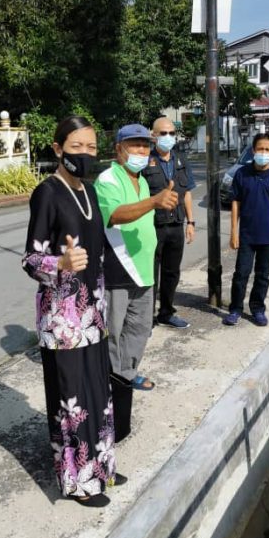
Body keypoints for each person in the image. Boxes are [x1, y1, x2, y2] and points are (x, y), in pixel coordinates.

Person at [22, 115, 119, 508]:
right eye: (76, 146)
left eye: (92, 146)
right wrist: (59, 264)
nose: (85, 154)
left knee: (98, 391)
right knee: (72, 401)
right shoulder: (47, 192)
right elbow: (30, 258)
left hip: (93, 313)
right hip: (62, 321)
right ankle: (77, 480)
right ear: (58, 148)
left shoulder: (92, 191)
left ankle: (101, 467)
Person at [94, 124, 178, 402]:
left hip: (143, 267)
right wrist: (155, 201)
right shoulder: (108, 178)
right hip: (119, 267)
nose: (142, 151)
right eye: (135, 145)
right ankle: (109, 379)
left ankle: (126, 375)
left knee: (140, 328)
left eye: (145, 145)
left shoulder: (140, 180)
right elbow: (115, 215)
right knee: (114, 330)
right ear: (119, 149)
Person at [222, 131, 269, 327]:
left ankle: (258, 309)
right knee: (241, 274)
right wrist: (234, 233)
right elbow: (236, 202)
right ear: (253, 150)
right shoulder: (242, 173)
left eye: (267, 149)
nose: (263, 152)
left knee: (263, 275)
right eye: (260, 148)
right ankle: (235, 309)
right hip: (247, 236)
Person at [142, 117, 196, 329]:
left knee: (171, 273)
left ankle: (166, 312)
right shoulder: (145, 161)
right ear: (153, 135)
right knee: (151, 273)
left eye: (172, 133)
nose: (168, 137)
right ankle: (147, 318)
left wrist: (191, 222)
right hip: (153, 227)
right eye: (163, 133)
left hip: (176, 225)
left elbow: (187, 193)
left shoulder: (181, 160)